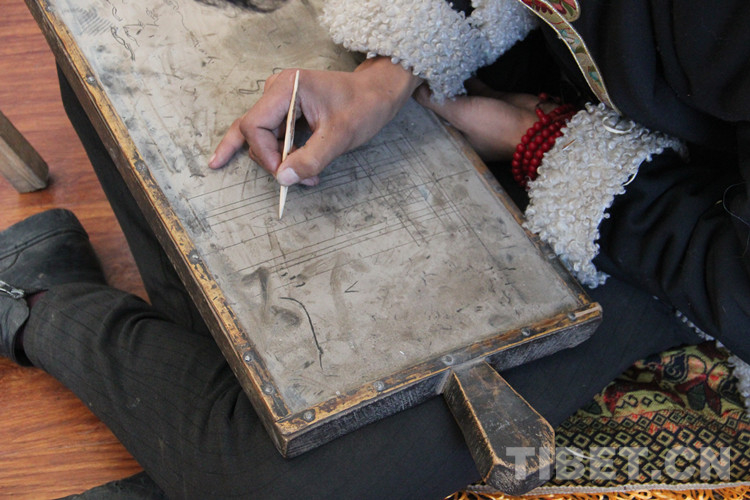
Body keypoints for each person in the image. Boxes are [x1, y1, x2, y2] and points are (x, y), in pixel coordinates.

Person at [1, 0, 747, 498]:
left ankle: (37, 305)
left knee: (277, 483)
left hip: (645, 218)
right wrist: (396, 67)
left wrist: (539, 142)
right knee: (110, 68)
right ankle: (197, 404)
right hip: (487, 86)